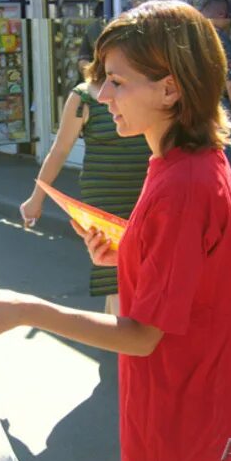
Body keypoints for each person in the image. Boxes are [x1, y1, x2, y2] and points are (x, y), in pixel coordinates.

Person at [0, 0, 231, 461]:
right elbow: (193, 272)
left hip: (179, 421)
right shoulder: (195, 160)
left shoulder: (179, 185)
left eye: (116, 82)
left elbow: (142, 337)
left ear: (169, 90)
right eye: (103, 79)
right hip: (203, 406)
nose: (102, 97)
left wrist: (29, 310)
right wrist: (129, 256)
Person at [20, 59, 150, 315]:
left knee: (144, 270)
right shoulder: (84, 96)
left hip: (146, 190)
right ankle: (124, 342)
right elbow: (59, 150)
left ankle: (125, 335)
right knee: (116, 276)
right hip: (106, 197)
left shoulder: (144, 88)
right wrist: (36, 199)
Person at [201, 0, 231, 180]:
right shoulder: (218, 37)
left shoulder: (185, 34)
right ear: (222, 14)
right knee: (221, 171)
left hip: (189, 111)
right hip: (217, 112)